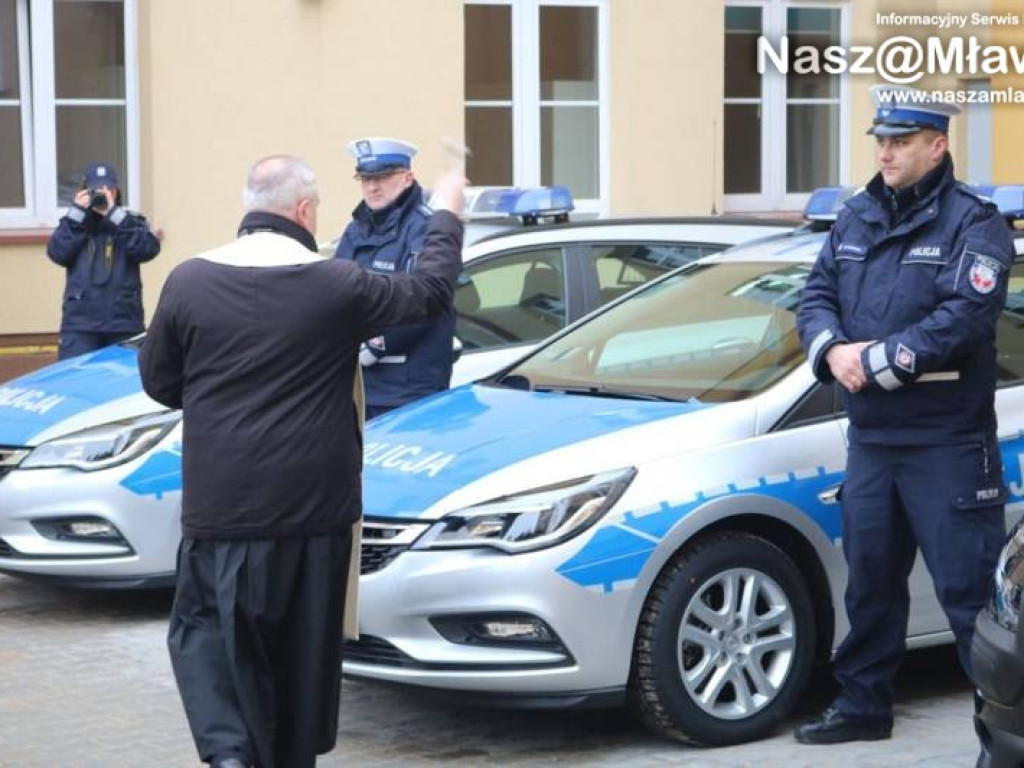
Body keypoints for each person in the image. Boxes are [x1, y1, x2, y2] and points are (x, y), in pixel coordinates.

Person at [138, 155, 465, 768]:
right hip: (317, 514)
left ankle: (231, 753)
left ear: (248, 206)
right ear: (306, 211)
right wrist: (445, 213)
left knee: (211, 638)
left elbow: (160, 381)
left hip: (223, 511)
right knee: (303, 658)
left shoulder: (189, 281)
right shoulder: (337, 283)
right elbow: (429, 293)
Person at [794, 85, 1012, 744]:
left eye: (901, 141)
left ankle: (1001, 730)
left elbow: (966, 316)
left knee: (969, 596)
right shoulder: (857, 214)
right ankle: (863, 707)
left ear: (937, 145)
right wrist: (832, 352)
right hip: (873, 439)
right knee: (871, 584)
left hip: (946, 439)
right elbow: (815, 294)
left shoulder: (975, 222)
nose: (886, 152)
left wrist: (883, 358)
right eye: (881, 141)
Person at [335, 137, 457, 419]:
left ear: (407, 178)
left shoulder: (425, 228)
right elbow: (335, 291)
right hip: (357, 386)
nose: (372, 187)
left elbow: (424, 300)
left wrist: (372, 346)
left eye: (382, 177)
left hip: (407, 391)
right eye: (365, 179)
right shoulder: (357, 229)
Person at [46, 162, 160, 359]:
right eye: (96, 190)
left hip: (123, 323)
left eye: (108, 189)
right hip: (80, 325)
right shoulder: (76, 223)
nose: (102, 195)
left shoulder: (128, 222)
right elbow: (57, 253)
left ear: (116, 193)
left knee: (122, 386)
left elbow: (148, 250)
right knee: (75, 381)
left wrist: (114, 216)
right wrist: (76, 214)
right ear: (84, 192)